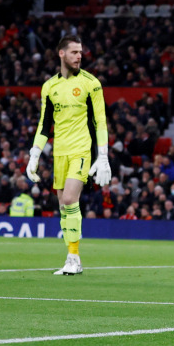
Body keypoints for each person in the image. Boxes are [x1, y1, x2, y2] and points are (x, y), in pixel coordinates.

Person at [26, 36, 111, 276]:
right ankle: (72, 257)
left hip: (81, 149)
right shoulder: (49, 87)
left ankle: (73, 257)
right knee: (63, 206)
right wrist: (34, 155)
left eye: (80, 52)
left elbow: (100, 121)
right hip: (59, 153)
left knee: (71, 199)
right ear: (61, 53)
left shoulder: (90, 83)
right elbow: (45, 125)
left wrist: (102, 156)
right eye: (74, 52)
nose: (79, 56)